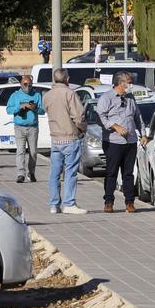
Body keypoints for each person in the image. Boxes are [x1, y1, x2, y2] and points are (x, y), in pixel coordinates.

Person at [97, 71, 147, 213]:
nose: (131, 85)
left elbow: (137, 117)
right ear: (121, 83)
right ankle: (108, 202)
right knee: (111, 172)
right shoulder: (107, 98)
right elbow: (100, 118)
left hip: (130, 141)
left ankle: (129, 202)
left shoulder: (130, 98)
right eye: (129, 82)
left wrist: (143, 134)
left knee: (128, 173)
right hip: (113, 141)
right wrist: (115, 126)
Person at [43, 69, 88, 214]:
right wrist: (82, 129)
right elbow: (79, 116)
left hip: (55, 138)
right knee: (70, 172)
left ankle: (54, 204)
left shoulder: (47, 95)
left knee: (54, 173)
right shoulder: (69, 93)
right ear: (67, 79)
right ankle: (69, 203)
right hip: (69, 137)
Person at [6, 76, 44, 183]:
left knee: (33, 152)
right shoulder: (15, 95)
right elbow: (8, 109)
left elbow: (42, 111)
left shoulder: (36, 95)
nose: (28, 87)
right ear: (21, 85)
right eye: (25, 84)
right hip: (19, 127)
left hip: (33, 127)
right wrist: (20, 107)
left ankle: (31, 172)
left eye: (30, 85)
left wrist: (35, 108)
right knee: (20, 151)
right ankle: (20, 173)